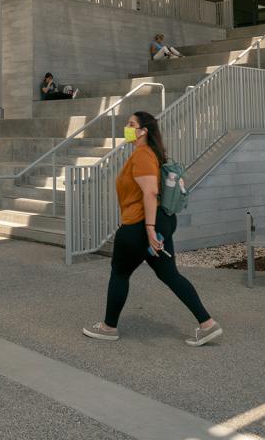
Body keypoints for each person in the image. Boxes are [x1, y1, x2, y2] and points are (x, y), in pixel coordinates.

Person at [83, 111, 222, 347]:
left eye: (131, 124)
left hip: (140, 225)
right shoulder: (148, 154)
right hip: (155, 224)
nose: (127, 127)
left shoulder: (142, 155)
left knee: (120, 273)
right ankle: (207, 324)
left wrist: (148, 229)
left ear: (143, 131)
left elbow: (150, 192)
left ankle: (108, 327)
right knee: (169, 274)